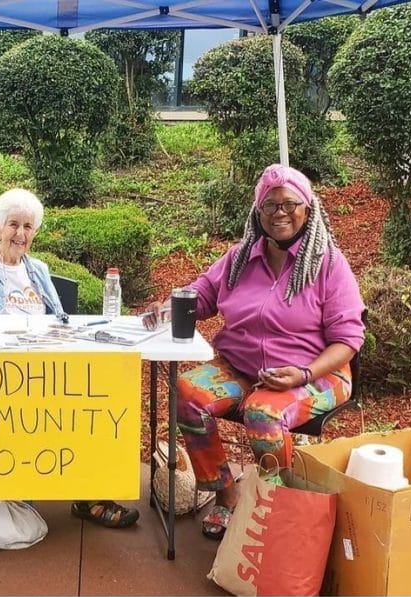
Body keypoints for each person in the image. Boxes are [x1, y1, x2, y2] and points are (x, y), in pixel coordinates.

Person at [143, 164, 365, 540]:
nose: (279, 212)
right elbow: (204, 294)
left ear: (307, 208)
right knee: (187, 394)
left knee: (263, 413)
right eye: (269, 205)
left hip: (317, 372)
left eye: (289, 203)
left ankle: (274, 506)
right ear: (257, 213)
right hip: (242, 367)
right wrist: (167, 307)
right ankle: (227, 498)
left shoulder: (328, 264)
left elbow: (347, 340)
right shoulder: (240, 258)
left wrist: (305, 373)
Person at [0, 188, 140, 529]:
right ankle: (22, 486)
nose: (20, 234)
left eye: (28, 226)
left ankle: (90, 495)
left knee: (94, 401)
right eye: (13, 224)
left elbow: (59, 319)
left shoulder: (38, 269)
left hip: (45, 368)